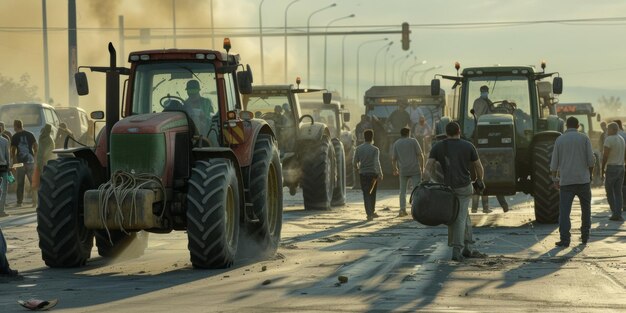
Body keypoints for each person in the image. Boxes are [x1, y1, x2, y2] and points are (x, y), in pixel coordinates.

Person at [423, 121, 486, 261]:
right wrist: (480, 180)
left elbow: (428, 167)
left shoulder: (438, 147)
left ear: (446, 133)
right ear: (459, 131)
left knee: (461, 216)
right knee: (461, 217)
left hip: (448, 189)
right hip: (464, 187)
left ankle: (468, 247)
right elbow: (479, 167)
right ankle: (457, 250)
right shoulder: (468, 146)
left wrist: (424, 182)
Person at [550, 117, 595, 247]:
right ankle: (585, 236)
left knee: (564, 212)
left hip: (566, 182)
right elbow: (591, 161)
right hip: (583, 181)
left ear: (566, 126)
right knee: (586, 209)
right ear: (578, 125)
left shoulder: (560, 139)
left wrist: (554, 179)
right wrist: (590, 175)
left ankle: (565, 239)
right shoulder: (584, 138)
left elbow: (554, 163)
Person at [392, 127, 423, 217]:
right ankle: (416, 209)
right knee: (416, 190)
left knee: (402, 191)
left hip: (403, 170)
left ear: (401, 134)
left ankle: (402, 209)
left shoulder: (396, 143)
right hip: (415, 170)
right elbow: (420, 155)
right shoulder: (413, 141)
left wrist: (395, 169)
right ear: (409, 133)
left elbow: (393, 159)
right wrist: (422, 168)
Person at [353, 129, 383, 221]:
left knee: (366, 193)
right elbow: (376, 162)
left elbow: (354, 162)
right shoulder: (375, 149)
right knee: (372, 193)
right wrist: (380, 173)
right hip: (373, 174)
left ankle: (369, 214)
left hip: (363, 174)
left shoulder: (358, 148)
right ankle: (372, 211)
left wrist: (358, 168)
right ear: (372, 137)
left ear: (364, 137)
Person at [11, 119, 37, 208]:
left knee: (20, 183)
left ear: (15, 126)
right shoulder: (30, 134)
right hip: (30, 161)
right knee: (32, 182)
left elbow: (13, 151)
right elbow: (35, 146)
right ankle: (35, 202)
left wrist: (14, 163)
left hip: (20, 163)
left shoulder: (14, 137)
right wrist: (35, 157)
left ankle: (19, 202)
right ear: (22, 125)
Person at [601, 122, 625, 221]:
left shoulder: (609, 139)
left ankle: (614, 212)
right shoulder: (621, 139)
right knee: (618, 192)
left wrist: (602, 169)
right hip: (621, 167)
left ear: (611, 129)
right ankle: (618, 213)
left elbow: (605, 156)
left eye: (608, 129)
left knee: (609, 191)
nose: (607, 131)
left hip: (612, 168)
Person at [34, 124, 55, 196]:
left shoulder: (46, 138)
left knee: (44, 177)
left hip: (45, 161)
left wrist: (43, 157)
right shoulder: (46, 138)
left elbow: (49, 150)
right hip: (42, 161)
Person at [614, 119, 626, 212]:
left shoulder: (615, 136)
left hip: (615, 163)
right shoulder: (624, 134)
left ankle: (618, 205)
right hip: (623, 163)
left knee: (617, 186)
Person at [0, 133, 10, 217]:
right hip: (3, 166)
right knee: (4, 189)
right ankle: (1, 211)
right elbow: (7, 155)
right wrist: (9, 166)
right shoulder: (5, 140)